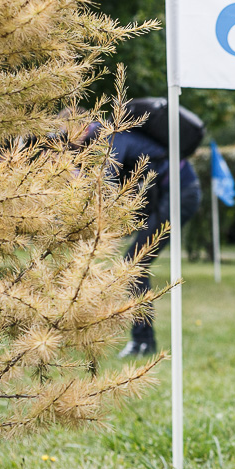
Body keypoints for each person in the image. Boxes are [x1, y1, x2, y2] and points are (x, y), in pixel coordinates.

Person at [74, 99, 202, 358]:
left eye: (67, 136)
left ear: (82, 127)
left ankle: (143, 343)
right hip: (170, 193)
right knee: (134, 265)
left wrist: (77, 180)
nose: (67, 145)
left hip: (179, 192)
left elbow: (107, 184)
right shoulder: (105, 137)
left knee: (134, 265)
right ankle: (143, 341)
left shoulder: (109, 136)